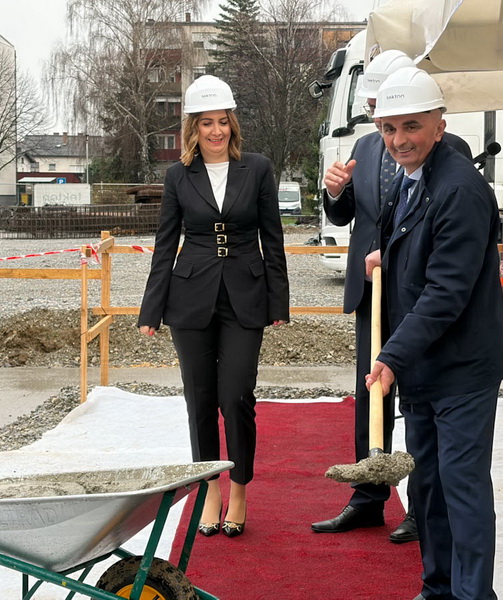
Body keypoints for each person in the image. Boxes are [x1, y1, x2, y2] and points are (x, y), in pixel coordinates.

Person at [312, 50, 472, 544]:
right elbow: (344, 216)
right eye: (377, 110)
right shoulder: (364, 144)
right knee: (371, 392)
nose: (391, 129)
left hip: (419, 294)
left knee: (420, 399)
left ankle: (422, 508)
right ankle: (368, 497)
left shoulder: (451, 149)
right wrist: (333, 191)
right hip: (372, 290)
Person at [365, 66, 503, 600]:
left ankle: (473, 595)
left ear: (439, 124)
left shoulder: (460, 189)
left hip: (462, 369)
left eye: (412, 126)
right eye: (389, 129)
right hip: (425, 366)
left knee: (461, 486)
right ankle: (439, 588)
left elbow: (447, 290)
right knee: (428, 487)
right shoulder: (413, 179)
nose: (399, 140)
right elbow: (423, 252)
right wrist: (390, 255)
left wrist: (391, 355)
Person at [138, 75, 289, 538]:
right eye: (207, 123)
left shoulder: (257, 169)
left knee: (236, 395)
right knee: (199, 399)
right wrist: (151, 309)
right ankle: (209, 491)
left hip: (246, 294)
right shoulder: (178, 176)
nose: (216, 131)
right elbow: (166, 243)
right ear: (194, 128)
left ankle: (238, 490)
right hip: (190, 298)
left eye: (223, 122)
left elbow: (273, 238)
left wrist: (278, 300)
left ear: (232, 124)